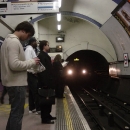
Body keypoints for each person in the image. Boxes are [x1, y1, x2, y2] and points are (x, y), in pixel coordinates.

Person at [0, 21, 40, 130]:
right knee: (17, 114)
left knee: (14, 113)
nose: (28, 38)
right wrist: (32, 62)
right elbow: (14, 64)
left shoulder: (7, 41)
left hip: (10, 82)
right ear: (23, 30)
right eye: (28, 35)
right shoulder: (14, 42)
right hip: (16, 83)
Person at [37, 40, 56, 124]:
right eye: (48, 45)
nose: (49, 46)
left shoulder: (45, 55)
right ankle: (45, 118)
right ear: (44, 46)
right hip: (45, 82)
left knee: (49, 100)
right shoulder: (41, 55)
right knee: (45, 100)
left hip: (48, 81)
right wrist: (45, 83)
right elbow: (43, 71)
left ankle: (48, 115)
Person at [24, 37, 40, 114]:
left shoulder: (31, 49)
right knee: (35, 91)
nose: (36, 44)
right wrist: (34, 71)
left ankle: (32, 108)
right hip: (31, 73)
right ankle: (37, 109)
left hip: (31, 72)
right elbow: (28, 62)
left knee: (31, 91)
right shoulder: (29, 49)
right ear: (32, 42)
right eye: (35, 42)